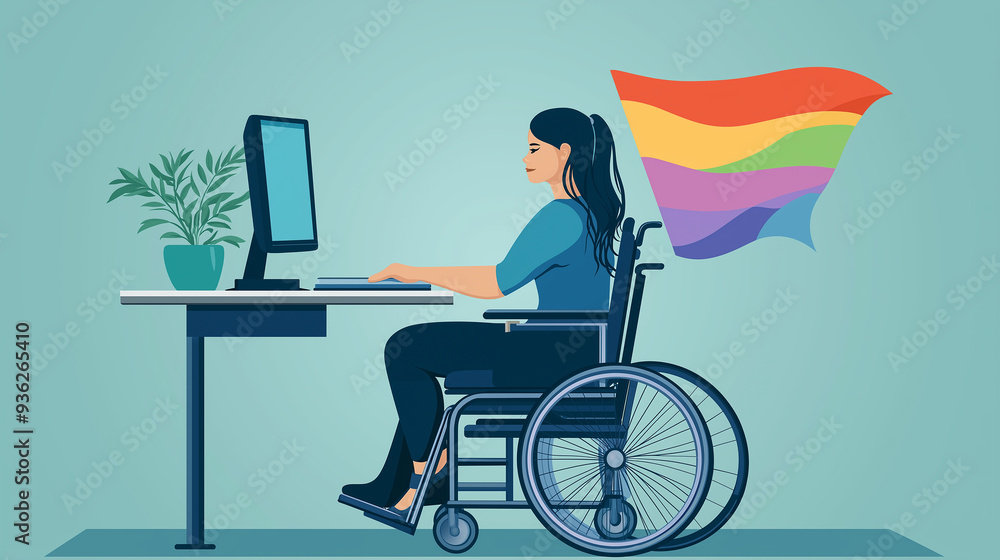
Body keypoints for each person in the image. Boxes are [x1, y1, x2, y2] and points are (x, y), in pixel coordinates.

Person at [339, 107, 626, 523]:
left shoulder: (562, 216)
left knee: (406, 349)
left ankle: (428, 470)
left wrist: (411, 272)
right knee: (418, 351)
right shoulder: (590, 213)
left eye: (533, 148)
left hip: (552, 357)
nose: (525, 158)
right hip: (567, 348)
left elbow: (497, 282)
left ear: (563, 153)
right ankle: (393, 482)